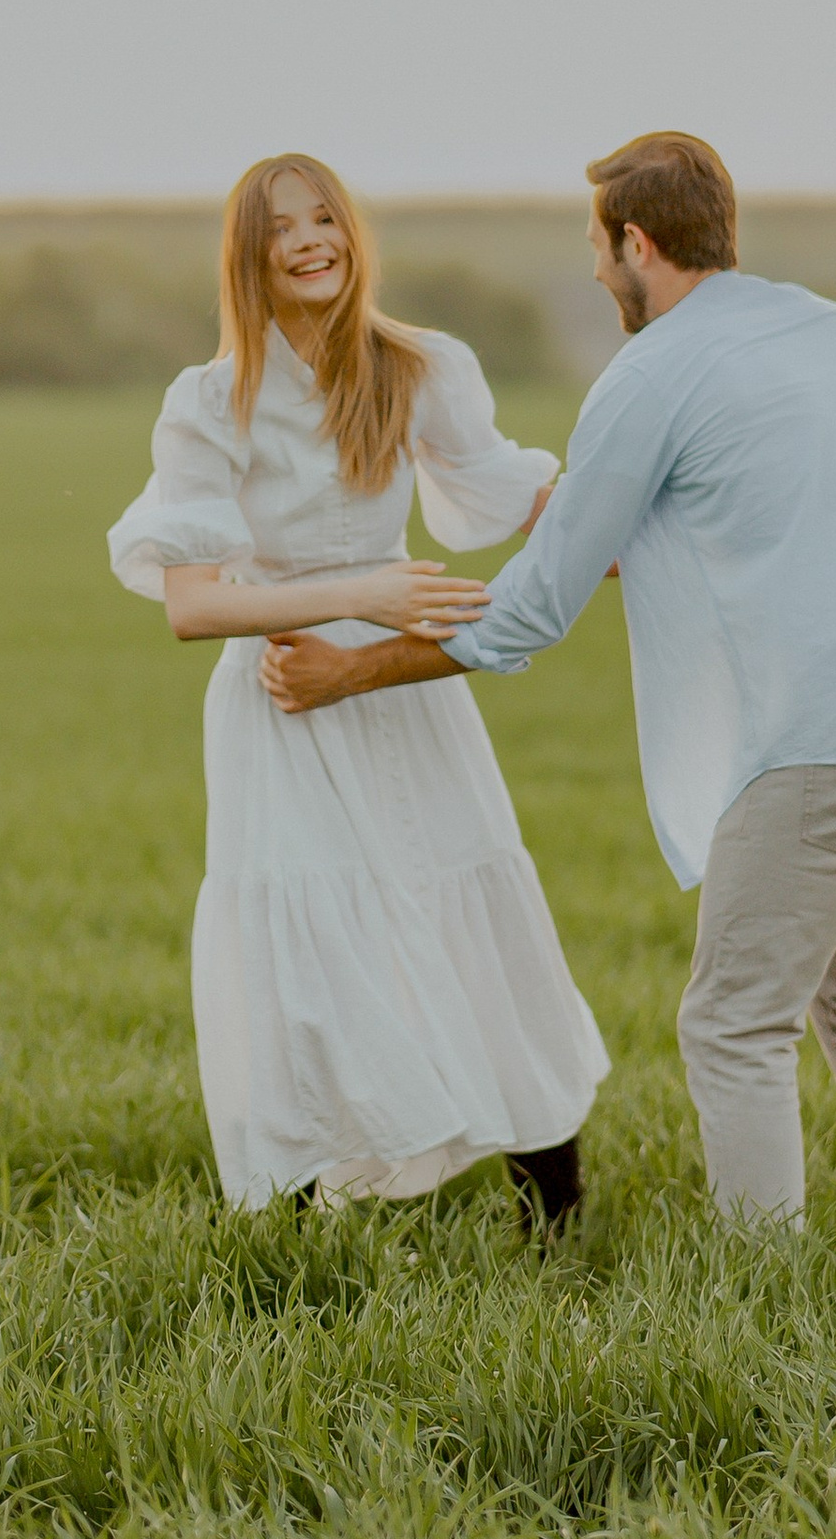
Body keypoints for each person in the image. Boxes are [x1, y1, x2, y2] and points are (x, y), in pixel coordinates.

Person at [263, 131, 836, 1222]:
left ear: (638, 241)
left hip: (825, 734)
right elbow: (771, 505)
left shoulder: (650, 373)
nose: (593, 270)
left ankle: (765, 1299)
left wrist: (349, 670)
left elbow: (526, 614)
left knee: (732, 1023)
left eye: (596, 247)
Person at [109, 154, 604, 1224]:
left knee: (470, 912)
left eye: (325, 217)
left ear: (351, 233)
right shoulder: (208, 402)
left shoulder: (417, 366)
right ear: (249, 255)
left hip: (404, 692)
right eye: (281, 227)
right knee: (300, 969)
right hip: (281, 699)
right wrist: (359, 589)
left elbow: (517, 495)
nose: (308, 240)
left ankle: (553, 1212)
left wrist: (635, 534)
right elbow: (191, 607)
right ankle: (297, 1229)